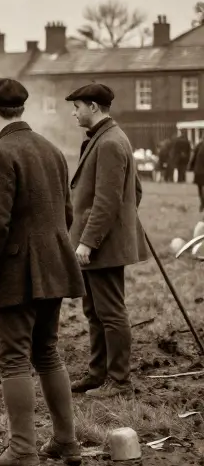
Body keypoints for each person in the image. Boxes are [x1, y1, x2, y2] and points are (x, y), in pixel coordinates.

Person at [0, 77, 85, 466]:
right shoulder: (52, 149)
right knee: (47, 352)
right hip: (55, 267)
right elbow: (66, 214)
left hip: (18, 273)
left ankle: (22, 452)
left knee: (13, 360)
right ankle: (67, 442)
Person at [65, 82, 148, 398]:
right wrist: (120, 223)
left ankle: (119, 381)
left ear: (93, 107)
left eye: (77, 107)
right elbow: (135, 191)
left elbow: (107, 200)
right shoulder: (105, 138)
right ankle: (98, 373)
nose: (74, 113)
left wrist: (90, 241)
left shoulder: (111, 142)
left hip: (100, 246)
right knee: (94, 311)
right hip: (100, 242)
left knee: (111, 312)